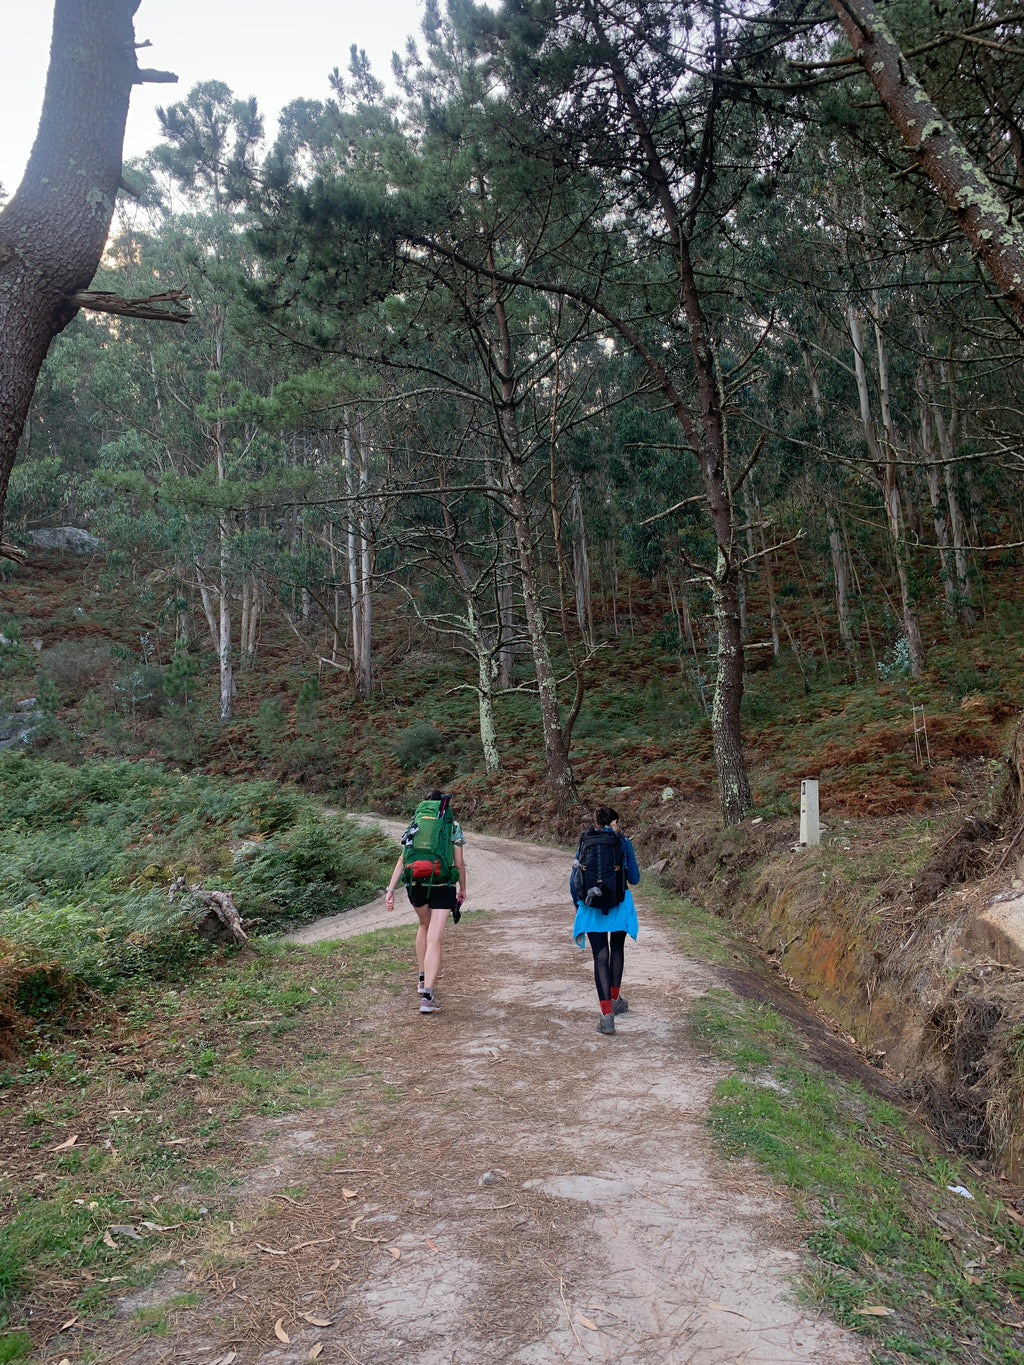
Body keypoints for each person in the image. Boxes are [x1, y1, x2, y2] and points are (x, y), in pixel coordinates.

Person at [384, 789, 466, 1014]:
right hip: (442, 886)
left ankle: (421, 980)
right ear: (443, 805)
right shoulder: (452, 825)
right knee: (435, 938)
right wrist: (463, 889)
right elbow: (459, 863)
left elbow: (402, 859)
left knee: (423, 925)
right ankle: (428, 997)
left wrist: (390, 889)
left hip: (416, 885)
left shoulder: (415, 823)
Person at [572, 805, 640, 1036]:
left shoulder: (586, 840)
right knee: (617, 948)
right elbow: (635, 878)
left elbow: (575, 878)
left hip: (592, 905)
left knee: (601, 956)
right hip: (619, 904)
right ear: (614, 823)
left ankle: (607, 1016)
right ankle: (615, 998)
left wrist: (579, 904)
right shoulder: (622, 841)